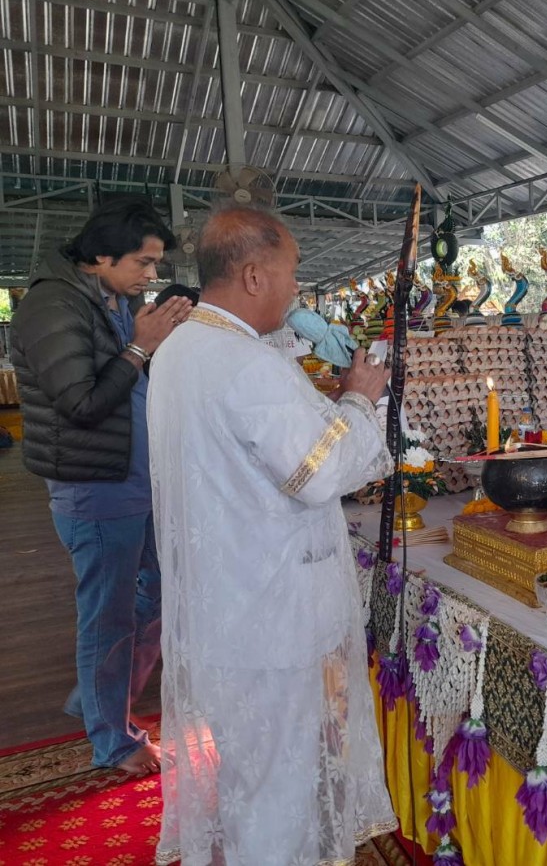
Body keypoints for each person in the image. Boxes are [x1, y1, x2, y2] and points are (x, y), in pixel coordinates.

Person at [147, 206, 397, 865]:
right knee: (276, 792)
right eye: (291, 274)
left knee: (251, 776)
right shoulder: (241, 362)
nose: (296, 291)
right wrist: (361, 399)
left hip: (224, 604)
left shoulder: (179, 349)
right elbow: (318, 471)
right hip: (268, 616)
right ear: (254, 274)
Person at [10, 197, 192, 777]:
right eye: (143, 262)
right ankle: (112, 739)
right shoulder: (49, 305)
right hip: (96, 489)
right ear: (100, 256)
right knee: (107, 617)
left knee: (158, 593)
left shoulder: (115, 299)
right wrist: (140, 347)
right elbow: (82, 403)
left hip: (135, 481)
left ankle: (99, 696)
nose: (151, 275)